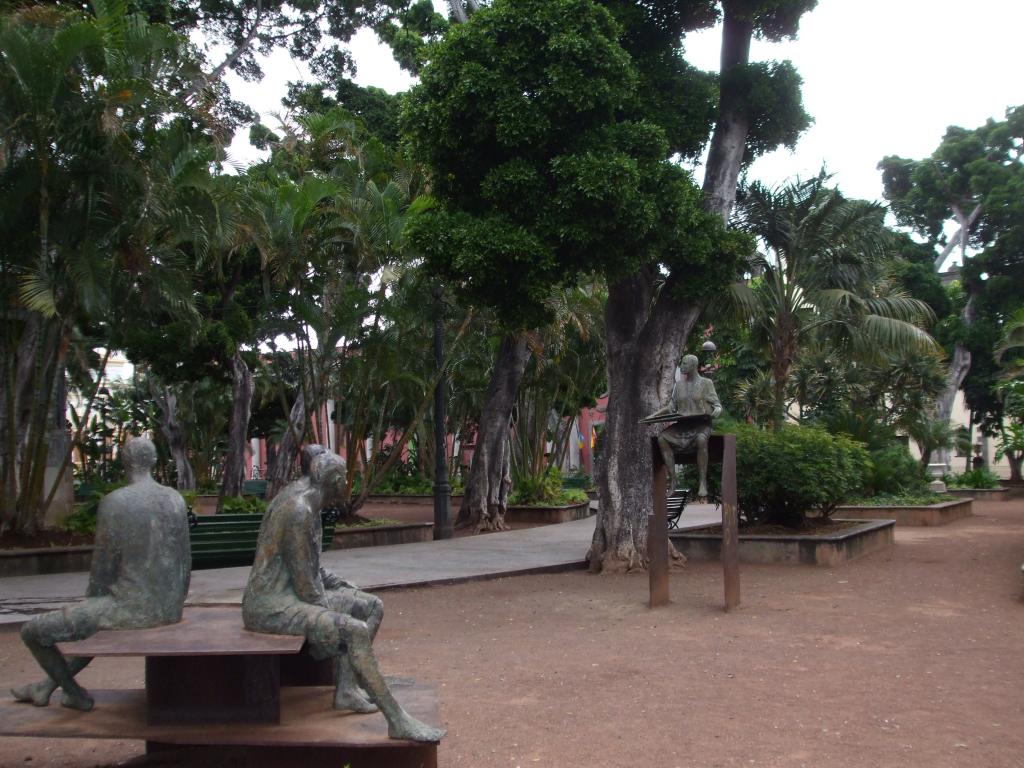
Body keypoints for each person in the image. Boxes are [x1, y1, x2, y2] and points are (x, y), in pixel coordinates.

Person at [242, 449, 444, 743]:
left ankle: (348, 689)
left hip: (295, 594)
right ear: (333, 482)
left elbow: (311, 567)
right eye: (344, 481)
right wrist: (336, 622)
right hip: (271, 604)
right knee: (355, 630)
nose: (347, 486)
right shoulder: (298, 509)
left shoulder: (313, 504)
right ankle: (397, 720)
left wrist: (345, 588)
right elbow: (306, 588)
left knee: (371, 605)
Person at [11, 437, 191, 711]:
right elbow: (185, 563)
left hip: (130, 608)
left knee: (32, 632)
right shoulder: (175, 499)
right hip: (169, 608)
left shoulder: (114, 502)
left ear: (125, 462)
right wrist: (174, 603)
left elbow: (103, 569)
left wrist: (91, 602)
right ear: (154, 461)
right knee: (96, 623)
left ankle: (75, 695)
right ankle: (45, 686)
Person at [646, 354, 722, 499]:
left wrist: (717, 409)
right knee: (662, 438)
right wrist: (653, 416)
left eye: (685, 363)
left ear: (694, 366)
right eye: (682, 363)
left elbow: (716, 404)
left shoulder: (706, 383)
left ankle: (702, 482)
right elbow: (671, 407)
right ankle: (673, 481)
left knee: (701, 440)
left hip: (701, 424)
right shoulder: (678, 385)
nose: (682, 366)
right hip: (682, 425)